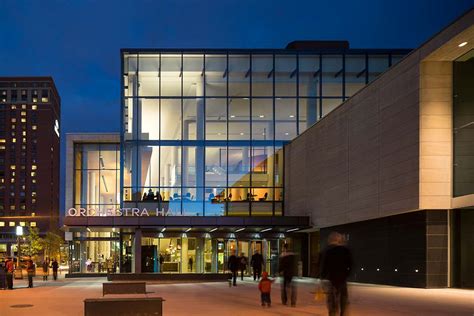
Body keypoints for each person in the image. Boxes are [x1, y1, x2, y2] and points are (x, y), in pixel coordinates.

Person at [319, 232, 353, 316]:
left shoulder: (327, 251)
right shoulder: (345, 250)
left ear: (330, 240)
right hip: (342, 279)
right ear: (339, 240)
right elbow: (351, 264)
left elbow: (323, 265)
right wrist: (346, 274)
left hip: (331, 278)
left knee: (331, 299)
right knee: (343, 298)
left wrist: (322, 277)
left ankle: (333, 313)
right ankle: (343, 313)